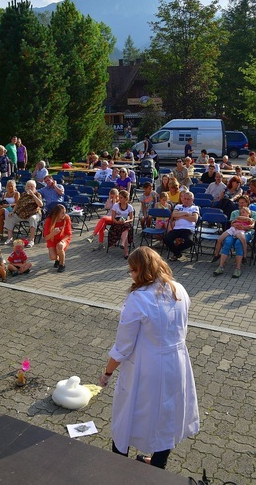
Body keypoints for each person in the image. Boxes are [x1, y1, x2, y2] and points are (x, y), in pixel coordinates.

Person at [99, 247, 199, 469]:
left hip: (147, 367)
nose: (131, 276)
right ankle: (157, 463)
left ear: (139, 270)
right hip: (177, 363)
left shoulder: (138, 299)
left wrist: (107, 372)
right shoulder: (179, 288)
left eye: (132, 271)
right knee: (167, 414)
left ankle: (118, 464)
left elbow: (123, 346)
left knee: (127, 412)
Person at [213, 195, 256, 278]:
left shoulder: (253, 213)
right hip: (234, 230)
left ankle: (238, 268)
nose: (241, 204)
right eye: (239, 203)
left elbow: (252, 226)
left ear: (247, 203)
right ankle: (221, 267)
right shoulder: (235, 212)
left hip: (246, 232)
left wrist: (244, 227)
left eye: (243, 203)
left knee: (239, 243)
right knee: (228, 242)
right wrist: (237, 224)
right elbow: (232, 223)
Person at [3, 179, 43, 247]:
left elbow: (40, 205)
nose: (29, 188)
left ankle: (31, 240)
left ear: (35, 188)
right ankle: (10, 238)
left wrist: (33, 195)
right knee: (10, 216)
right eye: (28, 186)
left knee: (33, 219)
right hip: (21, 214)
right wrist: (12, 211)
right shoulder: (23, 194)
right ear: (25, 187)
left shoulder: (37, 194)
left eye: (31, 186)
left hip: (33, 213)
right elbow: (18, 204)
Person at [164, 191, 199, 261]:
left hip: (188, 229)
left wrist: (181, 216)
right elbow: (174, 215)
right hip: (177, 229)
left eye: (188, 199)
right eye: (185, 199)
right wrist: (186, 213)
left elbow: (194, 219)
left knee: (190, 241)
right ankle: (177, 253)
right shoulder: (178, 206)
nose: (186, 201)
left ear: (192, 200)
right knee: (166, 239)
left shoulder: (195, 208)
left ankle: (176, 252)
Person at [43, 203, 72, 273]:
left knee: (60, 246)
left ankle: (62, 264)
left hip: (63, 238)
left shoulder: (66, 218)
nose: (64, 214)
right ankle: (58, 259)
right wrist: (53, 233)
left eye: (65, 212)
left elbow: (68, 234)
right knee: (52, 257)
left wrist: (62, 241)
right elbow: (46, 237)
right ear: (57, 213)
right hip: (52, 239)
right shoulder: (49, 220)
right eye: (62, 213)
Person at [108, 190, 134, 259]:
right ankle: (126, 252)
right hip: (116, 223)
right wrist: (117, 222)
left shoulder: (130, 207)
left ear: (126, 199)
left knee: (126, 227)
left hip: (125, 222)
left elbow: (131, 219)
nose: (119, 199)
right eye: (119, 197)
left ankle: (123, 244)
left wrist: (126, 221)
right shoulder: (116, 206)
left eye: (121, 197)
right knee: (125, 229)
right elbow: (112, 218)